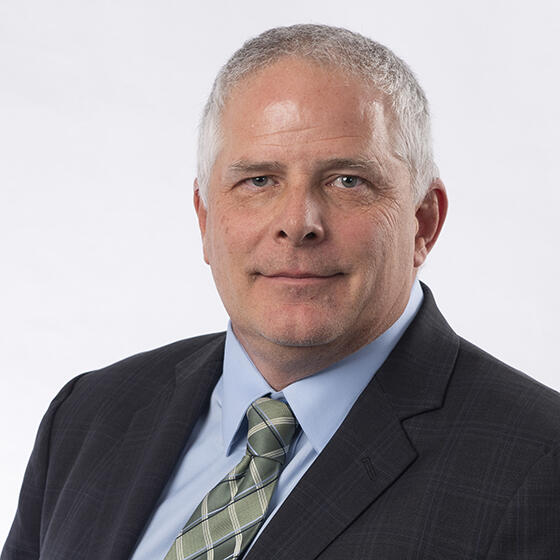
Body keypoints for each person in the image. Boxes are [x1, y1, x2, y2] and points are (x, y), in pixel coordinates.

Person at [3, 24, 560, 560]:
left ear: (423, 222)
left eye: (348, 180)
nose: (298, 223)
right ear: (205, 218)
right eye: (259, 180)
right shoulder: (88, 416)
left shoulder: (540, 467)